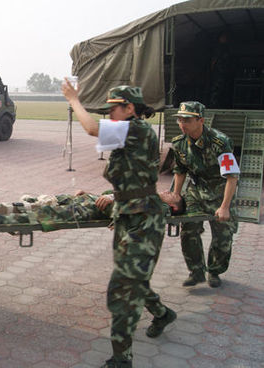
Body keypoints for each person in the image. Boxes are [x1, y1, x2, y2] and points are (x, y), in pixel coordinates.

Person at [62, 83, 176, 368]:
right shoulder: (127, 135)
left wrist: (74, 100)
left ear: (130, 108)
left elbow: (90, 128)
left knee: (122, 289)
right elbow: (131, 177)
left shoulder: (137, 130)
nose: (110, 112)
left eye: (114, 108)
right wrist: (111, 200)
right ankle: (161, 313)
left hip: (143, 220)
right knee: (133, 280)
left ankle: (121, 359)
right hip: (129, 214)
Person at [171, 101, 239, 288]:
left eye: (186, 120)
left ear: (200, 120)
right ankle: (196, 271)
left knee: (223, 235)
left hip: (220, 191)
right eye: (179, 119)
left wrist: (225, 207)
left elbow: (232, 177)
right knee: (188, 230)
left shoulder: (220, 142)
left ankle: (215, 271)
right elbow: (180, 171)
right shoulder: (179, 143)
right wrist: (176, 197)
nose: (181, 124)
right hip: (196, 190)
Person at [0, 190, 185, 231]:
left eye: (172, 194)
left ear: (173, 206)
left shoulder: (160, 207)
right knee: (40, 207)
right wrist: (91, 194)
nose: (168, 190)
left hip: (85, 213)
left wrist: (115, 204)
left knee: (39, 217)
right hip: (86, 204)